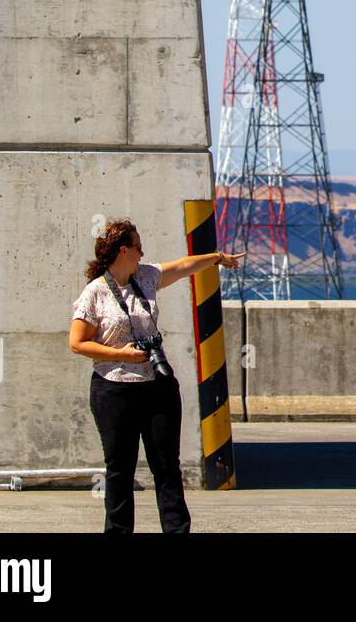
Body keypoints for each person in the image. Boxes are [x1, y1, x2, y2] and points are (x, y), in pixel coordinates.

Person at [68, 217, 242, 533]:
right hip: (113, 390)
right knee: (119, 470)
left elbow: (184, 266)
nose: (142, 251)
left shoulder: (146, 277)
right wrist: (123, 354)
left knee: (167, 467)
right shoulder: (96, 292)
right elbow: (77, 343)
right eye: (137, 246)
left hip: (157, 385)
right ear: (124, 251)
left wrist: (217, 258)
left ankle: (177, 530)